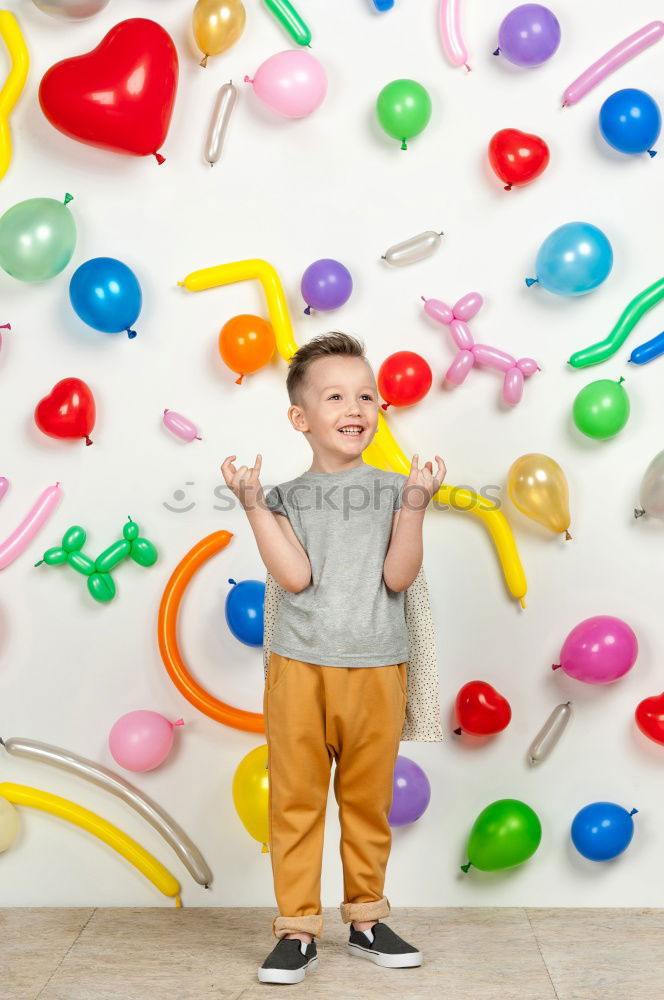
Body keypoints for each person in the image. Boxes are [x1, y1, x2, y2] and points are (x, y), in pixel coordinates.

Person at [221, 332, 445, 986]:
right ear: (301, 418)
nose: (357, 406)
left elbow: (399, 578)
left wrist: (415, 505)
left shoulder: (393, 488)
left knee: (366, 801)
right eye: (337, 395)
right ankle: (296, 930)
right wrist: (254, 505)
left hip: (379, 668)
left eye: (367, 395)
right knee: (296, 799)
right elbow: (292, 578)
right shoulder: (287, 497)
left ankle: (368, 919)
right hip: (300, 670)